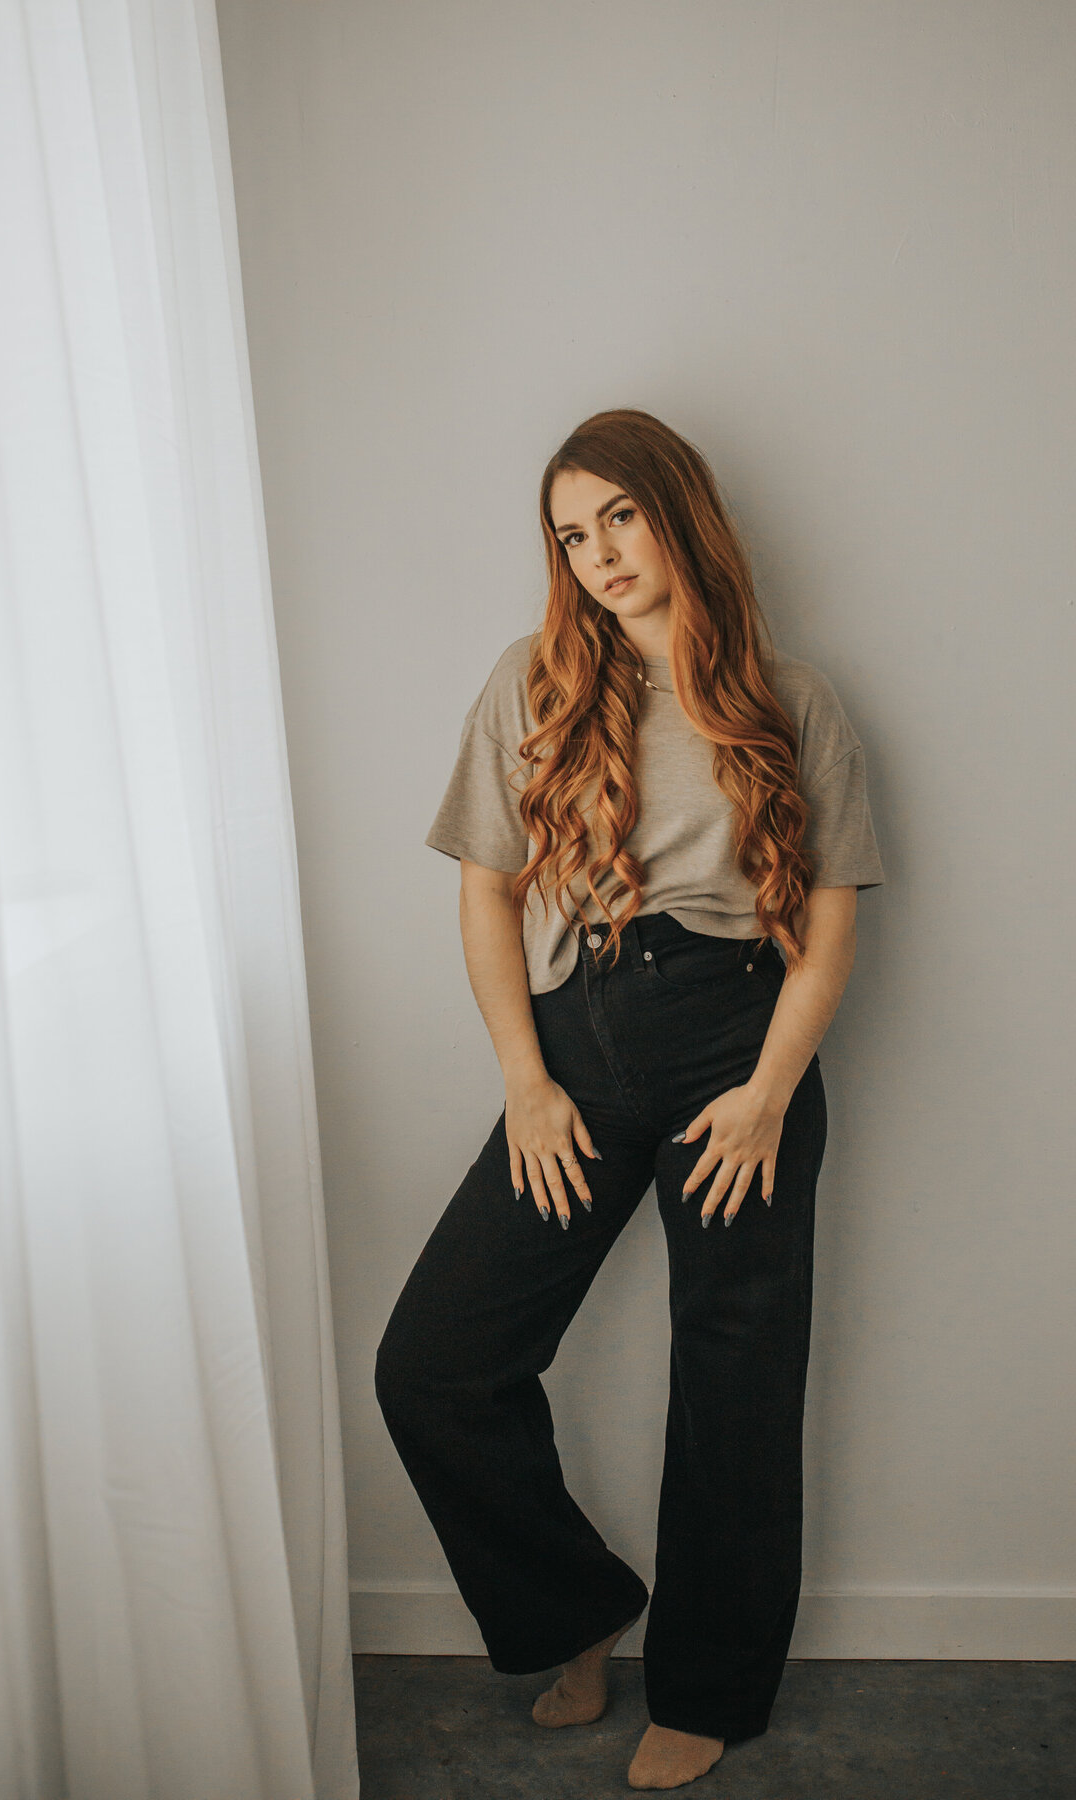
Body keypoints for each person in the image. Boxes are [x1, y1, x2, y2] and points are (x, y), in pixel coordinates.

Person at [374, 407, 885, 1791]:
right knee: (434, 1365)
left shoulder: (794, 697)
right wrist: (526, 1082)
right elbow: (484, 893)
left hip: (741, 1046)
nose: (596, 552)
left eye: (617, 517)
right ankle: (575, 1609)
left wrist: (773, 1093)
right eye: (568, 532)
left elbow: (829, 930)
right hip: (579, 1042)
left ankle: (709, 1687)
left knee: (734, 1379)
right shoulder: (531, 683)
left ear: (678, 512)